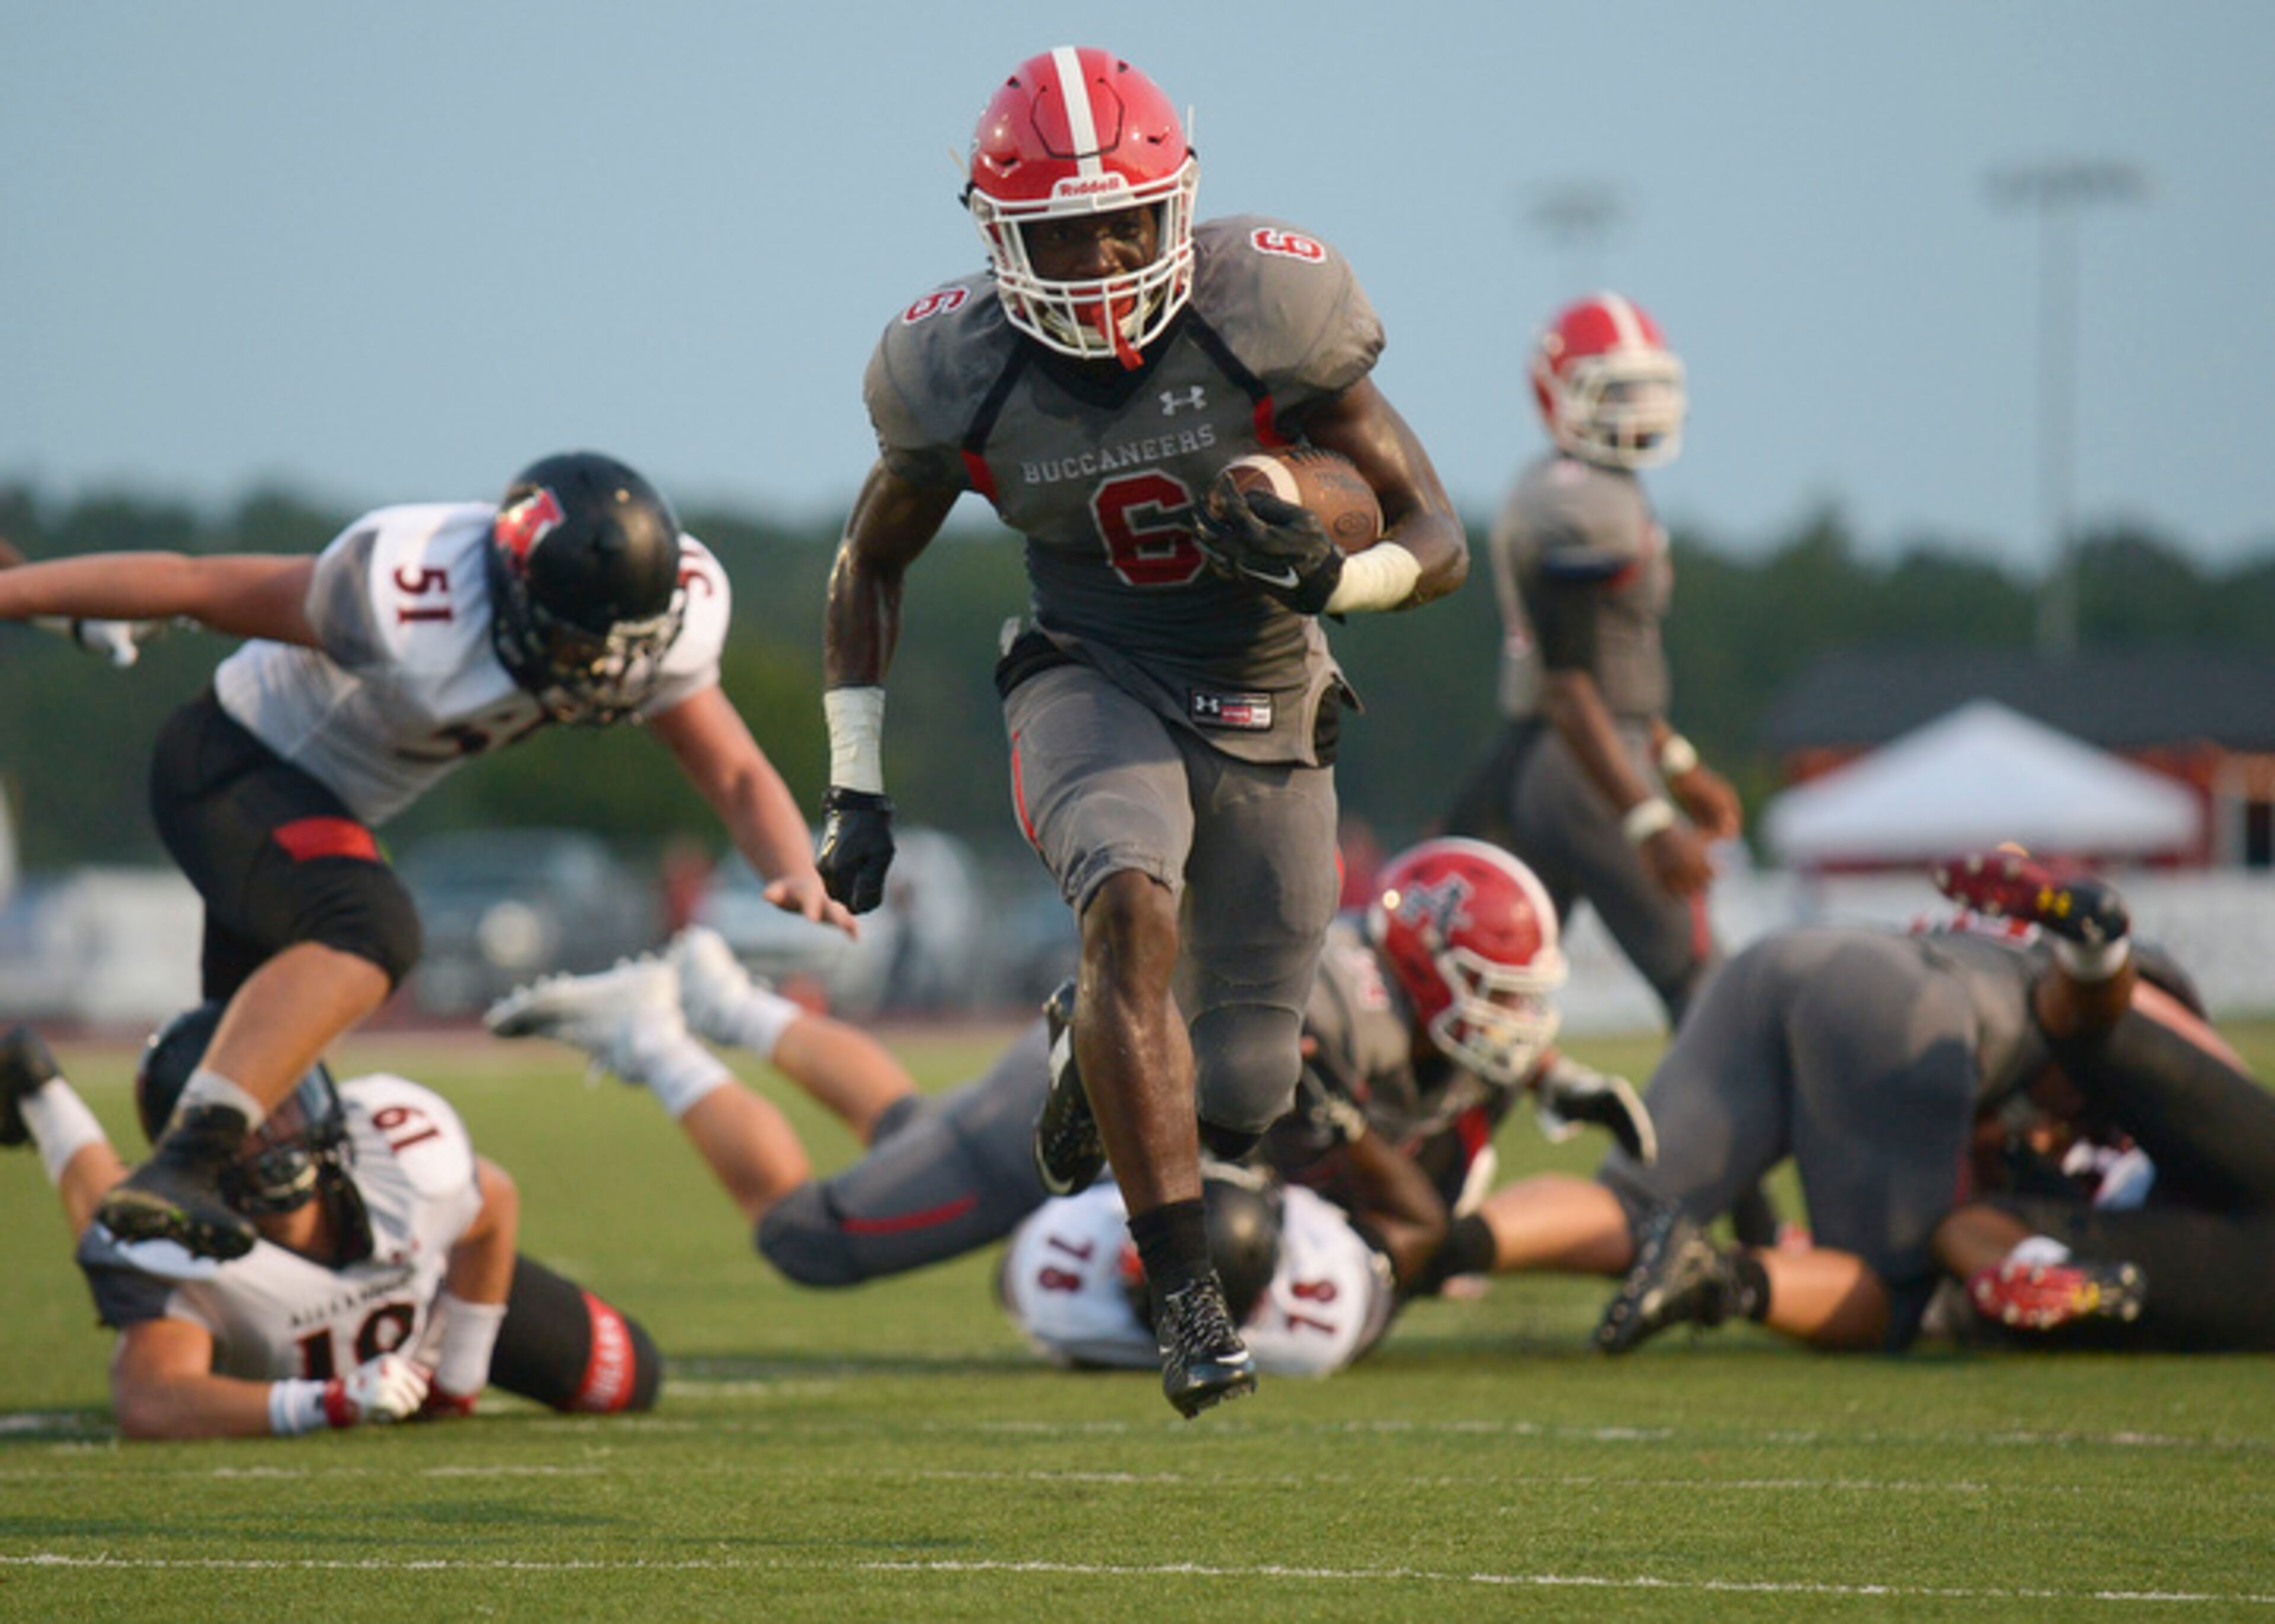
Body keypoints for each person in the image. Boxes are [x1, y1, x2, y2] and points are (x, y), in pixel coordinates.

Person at [812, 47, 1467, 1416]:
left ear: (1178, 207)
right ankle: (1178, 1295)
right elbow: (869, 561)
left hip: (1270, 688)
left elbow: (1435, 533)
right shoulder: (954, 373)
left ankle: (1080, 1047)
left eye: (1125, 221)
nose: (1103, 257)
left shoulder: (1266, 310)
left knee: (1240, 1085)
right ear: (1000, 235)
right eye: (1065, 229)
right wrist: (852, 785)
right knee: (1127, 899)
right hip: (1089, 667)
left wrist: (1326, 571)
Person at [0, 451, 853, 1265]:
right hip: (232, 769)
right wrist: (16, 594)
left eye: (626, 644)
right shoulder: (399, 598)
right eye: (580, 645)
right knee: (367, 931)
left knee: (272, 1132)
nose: (607, 669)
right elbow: (196, 585)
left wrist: (793, 862)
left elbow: (733, 768)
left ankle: (136, 1188)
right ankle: (179, 1167)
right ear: (515, 597)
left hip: (317, 811)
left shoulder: (641, 621)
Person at [1441, 849, 2239, 1357]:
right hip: (1912, 1009)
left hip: (1798, 956)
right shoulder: (2138, 1030)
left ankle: (1419, 1253)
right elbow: (2183, 1075)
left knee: (1631, 1201)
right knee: (1893, 1294)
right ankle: (1723, 1277)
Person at [482, 926, 1453, 1318]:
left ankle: (730, 1003)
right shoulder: (1354, 1033)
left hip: (1093, 1047)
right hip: (1084, 1097)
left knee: (911, 1130)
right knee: (809, 1240)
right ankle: (653, 1031)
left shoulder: (1352, 977)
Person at [0, 1013, 661, 1439]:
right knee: (116, 1217)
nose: (272, 1138)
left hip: (431, 1303)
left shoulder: (394, 1153)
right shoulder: (180, 1243)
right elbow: (150, 1401)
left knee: (631, 1378)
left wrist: (458, 1379)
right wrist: (327, 1403)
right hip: (306, 1364)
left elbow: (492, 1201)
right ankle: (40, 1093)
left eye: (285, 1107)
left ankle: (33, 1084)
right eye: (241, 1127)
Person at [1446, 293, 1739, 1028]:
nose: (1636, 409)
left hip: (1576, 756)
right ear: (1559, 396)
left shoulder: (1599, 490)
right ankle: (1687, 1149)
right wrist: (1648, 816)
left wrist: (1677, 761)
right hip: (1589, 764)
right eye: (1615, 392)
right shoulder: (1578, 502)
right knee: (1711, 995)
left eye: (1646, 390)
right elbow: (1575, 687)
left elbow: (1619, 667)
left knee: (1499, 1005)